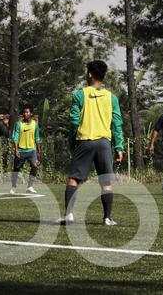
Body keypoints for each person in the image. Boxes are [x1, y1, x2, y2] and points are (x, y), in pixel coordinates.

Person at [59, 61, 124, 226]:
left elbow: (74, 121)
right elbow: (117, 124)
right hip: (104, 143)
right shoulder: (112, 97)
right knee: (106, 181)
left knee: (74, 178)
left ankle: (69, 215)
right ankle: (107, 218)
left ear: (89, 74)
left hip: (85, 141)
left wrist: (72, 142)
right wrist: (119, 147)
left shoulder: (79, 95)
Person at [10, 105, 41, 194]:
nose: (25, 114)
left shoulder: (35, 124)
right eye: (24, 112)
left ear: (31, 114)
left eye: (27, 112)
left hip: (32, 150)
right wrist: (16, 150)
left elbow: (37, 138)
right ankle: (14, 187)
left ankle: (29, 187)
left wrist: (39, 152)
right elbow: (15, 138)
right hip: (21, 151)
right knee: (16, 169)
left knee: (35, 166)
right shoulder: (18, 124)